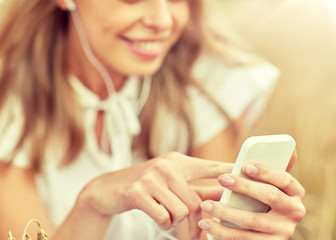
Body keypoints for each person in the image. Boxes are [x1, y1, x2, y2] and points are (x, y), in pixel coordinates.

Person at [0, 0, 305, 239]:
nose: (162, 21)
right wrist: (91, 204)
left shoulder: (208, 82)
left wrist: (248, 232)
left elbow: (206, 232)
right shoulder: (10, 107)